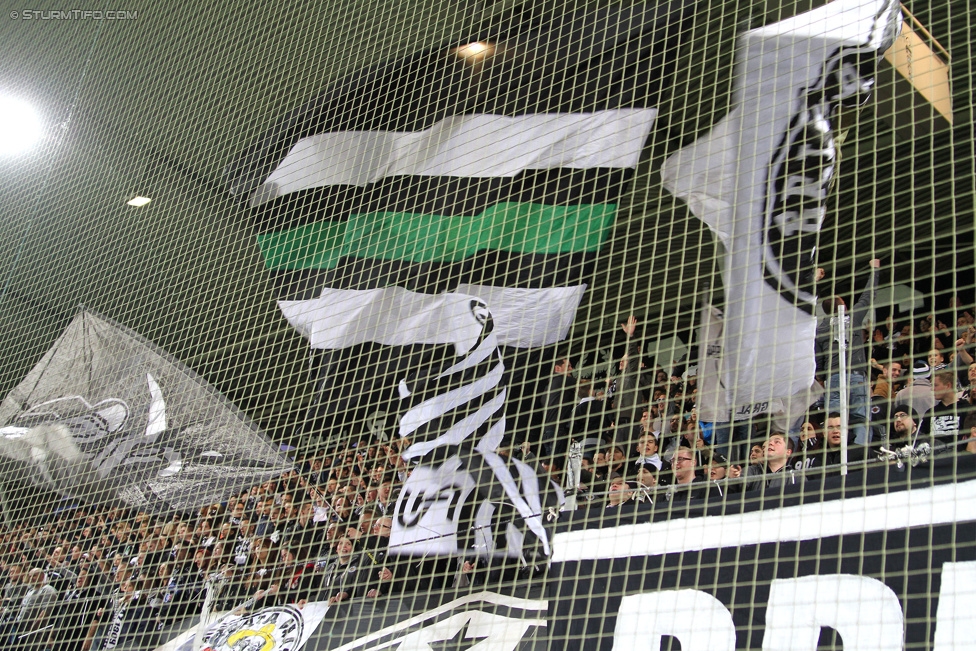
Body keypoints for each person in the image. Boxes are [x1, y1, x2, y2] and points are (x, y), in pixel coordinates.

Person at [815, 259, 881, 445]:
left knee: (835, 421)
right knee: (860, 418)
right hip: (856, 376)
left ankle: (838, 452)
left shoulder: (820, 330)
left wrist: (822, 377)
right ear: (843, 305)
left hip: (834, 378)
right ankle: (859, 453)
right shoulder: (854, 318)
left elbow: (817, 360)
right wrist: (875, 270)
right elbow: (868, 296)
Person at [929, 371, 971, 446]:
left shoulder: (967, 409)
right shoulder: (930, 412)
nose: (932, 389)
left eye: (935, 385)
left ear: (948, 385)